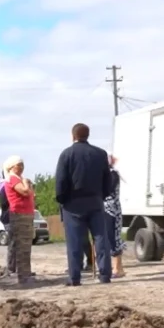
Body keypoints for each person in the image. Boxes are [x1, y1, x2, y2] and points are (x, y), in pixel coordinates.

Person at [55, 122, 113, 285]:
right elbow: (107, 180)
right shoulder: (100, 154)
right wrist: (102, 195)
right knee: (101, 238)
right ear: (88, 135)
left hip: (73, 203)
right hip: (95, 201)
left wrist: (62, 199)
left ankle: (75, 278)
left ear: (73, 135)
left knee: (74, 241)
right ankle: (105, 275)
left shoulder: (66, 154)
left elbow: (61, 181)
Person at [3, 155, 36, 284]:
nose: (21, 167)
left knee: (26, 246)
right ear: (11, 167)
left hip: (26, 214)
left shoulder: (19, 178)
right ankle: (23, 276)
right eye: (19, 165)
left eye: (22, 165)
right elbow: (25, 192)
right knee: (22, 247)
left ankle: (26, 273)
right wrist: (27, 183)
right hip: (19, 215)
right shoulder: (13, 179)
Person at [104, 156, 126, 278]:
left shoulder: (112, 175)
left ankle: (117, 268)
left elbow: (107, 190)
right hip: (106, 209)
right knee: (109, 237)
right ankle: (118, 268)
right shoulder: (109, 174)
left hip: (112, 210)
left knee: (113, 237)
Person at [0, 163, 16, 275]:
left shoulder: (4, 185)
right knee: (13, 242)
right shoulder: (4, 186)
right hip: (9, 216)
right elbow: (4, 202)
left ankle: (17, 267)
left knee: (16, 242)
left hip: (11, 215)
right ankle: (11, 268)